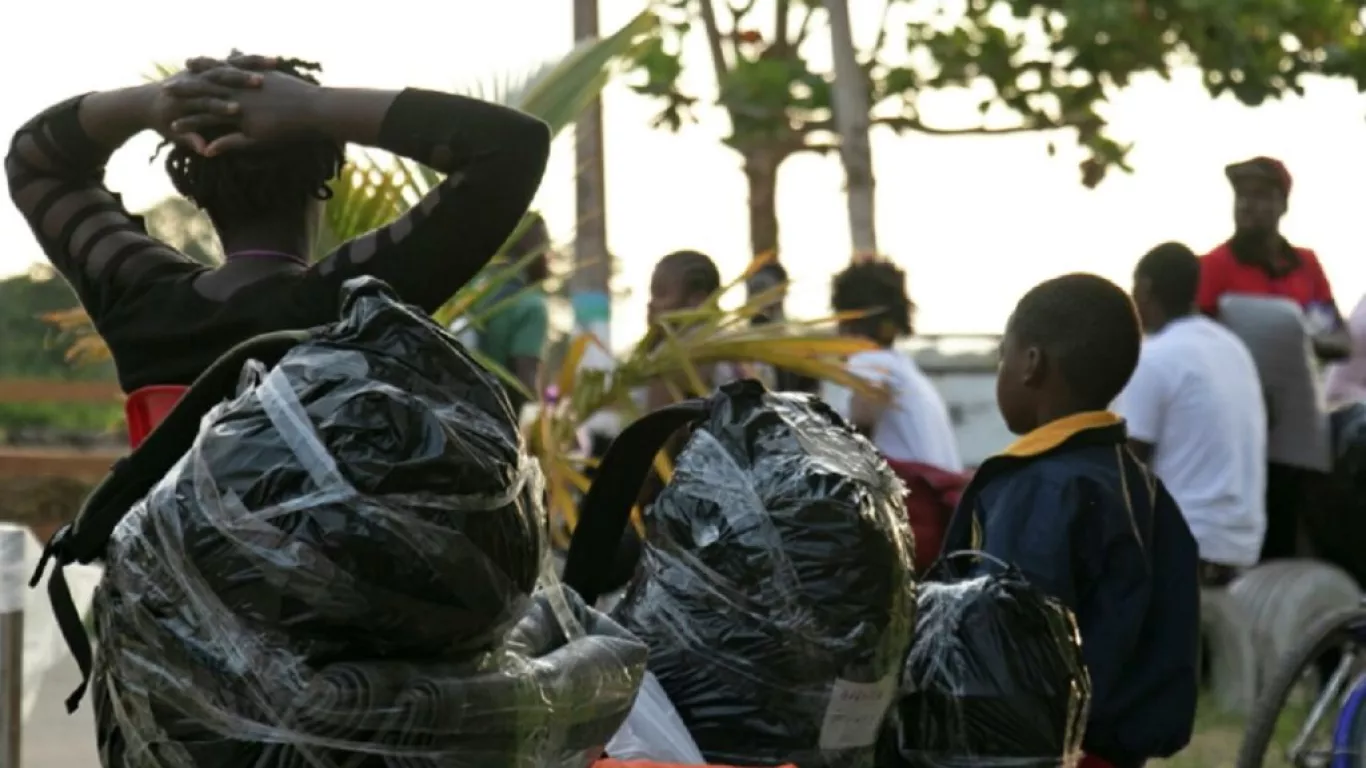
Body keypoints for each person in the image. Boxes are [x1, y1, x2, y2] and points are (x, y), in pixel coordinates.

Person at [5, 53, 550, 394]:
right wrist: (314, 107)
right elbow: (511, 145)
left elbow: (37, 162)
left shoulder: (141, 300)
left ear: (193, 182)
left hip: (164, 577)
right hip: (338, 580)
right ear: (327, 174)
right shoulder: (356, 304)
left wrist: (150, 103)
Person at [942, 273, 1198, 768]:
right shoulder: (1143, 486)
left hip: (1044, 752)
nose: (1001, 369)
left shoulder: (1039, 487)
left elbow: (1007, 652)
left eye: (1004, 356)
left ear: (1032, 364)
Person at [1116, 243, 1267, 585]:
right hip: (1243, 544)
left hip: (1186, 543)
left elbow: (1128, 469)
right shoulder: (1233, 348)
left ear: (1145, 289)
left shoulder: (1153, 357)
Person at [1196, 156, 1350, 360]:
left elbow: (1340, 338)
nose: (1245, 205)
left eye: (1258, 196)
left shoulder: (1306, 263)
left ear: (1283, 205)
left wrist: (1298, 341)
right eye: (1240, 195)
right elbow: (1197, 338)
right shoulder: (1213, 265)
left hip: (1298, 384)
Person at [827, 260, 962, 471]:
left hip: (919, 497)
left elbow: (863, 415)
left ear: (846, 318)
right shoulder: (900, 365)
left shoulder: (870, 360)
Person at [454, 211, 551, 411]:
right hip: (492, 422)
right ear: (531, 249)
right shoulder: (530, 305)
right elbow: (525, 383)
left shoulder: (464, 288)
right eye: (545, 248)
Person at [745, 260, 818, 394]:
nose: (761, 297)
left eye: (765, 289)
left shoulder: (800, 348)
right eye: (757, 289)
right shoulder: (737, 352)